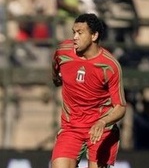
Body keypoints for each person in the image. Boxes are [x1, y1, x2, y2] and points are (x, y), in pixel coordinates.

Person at [51, 13, 126, 168]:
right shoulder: (63, 51)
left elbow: (120, 107)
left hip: (100, 130)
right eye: (73, 32)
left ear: (94, 35)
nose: (75, 37)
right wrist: (57, 79)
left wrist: (103, 122)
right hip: (71, 128)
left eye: (80, 33)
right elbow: (55, 69)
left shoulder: (110, 66)